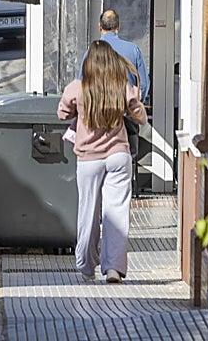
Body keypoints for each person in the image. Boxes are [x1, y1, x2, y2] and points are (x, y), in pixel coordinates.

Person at [58, 40, 148, 284]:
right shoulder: (121, 86)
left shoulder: (78, 88)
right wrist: (135, 104)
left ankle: (86, 266)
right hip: (119, 155)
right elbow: (140, 117)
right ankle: (113, 269)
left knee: (88, 211)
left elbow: (62, 113)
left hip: (88, 159)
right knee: (116, 213)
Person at [79, 10, 151, 104]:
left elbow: (81, 85)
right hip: (125, 111)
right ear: (118, 26)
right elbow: (143, 85)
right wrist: (135, 104)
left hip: (98, 112)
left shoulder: (89, 53)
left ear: (100, 27)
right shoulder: (133, 50)